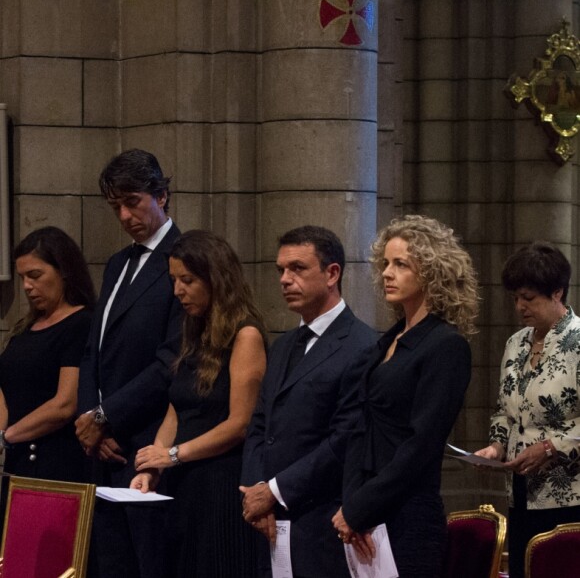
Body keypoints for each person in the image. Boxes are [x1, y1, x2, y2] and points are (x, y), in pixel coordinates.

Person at [333, 214, 479, 577]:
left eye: (401, 264)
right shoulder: (386, 342)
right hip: (365, 515)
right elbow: (357, 430)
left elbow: (420, 446)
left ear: (431, 272)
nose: (386, 272)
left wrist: (358, 508)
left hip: (409, 517)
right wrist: (351, 505)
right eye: (385, 263)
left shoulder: (446, 346)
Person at [240, 225, 376, 578]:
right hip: (268, 521)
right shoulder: (284, 344)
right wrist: (256, 493)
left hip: (319, 522)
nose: (284, 279)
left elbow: (343, 438)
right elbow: (259, 425)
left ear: (332, 274)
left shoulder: (362, 346)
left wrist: (273, 491)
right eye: (280, 270)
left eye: (297, 268)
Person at [130, 230, 267, 576]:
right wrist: (153, 465)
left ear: (215, 278)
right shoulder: (195, 330)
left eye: (187, 280)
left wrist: (173, 455)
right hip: (185, 486)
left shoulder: (245, 335)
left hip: (220, 487)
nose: (177, 291)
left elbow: (240, 424)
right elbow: (177, 409)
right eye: (175, 280)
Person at [75, 149, 182, 578]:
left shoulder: (185, 257)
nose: (124, 216)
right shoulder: (118, 263)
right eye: (115, 206)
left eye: (132, 202)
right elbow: (93, 351)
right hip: (103, 446)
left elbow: (170, 360)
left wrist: (106, 416)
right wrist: (90, 421)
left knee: (150, 563)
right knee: (110, 562)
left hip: (147, 440)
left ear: (162, 195)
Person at [474, 242, 580, 578]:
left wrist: (552, 447)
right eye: (516, 297)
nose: (520, 306)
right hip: (521, 493)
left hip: (569, 499)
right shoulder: (516, 343)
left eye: (529, 298)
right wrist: (495, 445)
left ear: (557, 293)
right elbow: (504, 412)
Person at [0, 226, 95, 482]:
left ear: (63, 271)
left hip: (55, 463)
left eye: (35, 275)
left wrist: (7, 436)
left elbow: (65, 404)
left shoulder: (80, 323)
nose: (27, 286)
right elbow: (6, 389)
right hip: (17, 460)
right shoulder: (25, 328)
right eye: (22, 278)